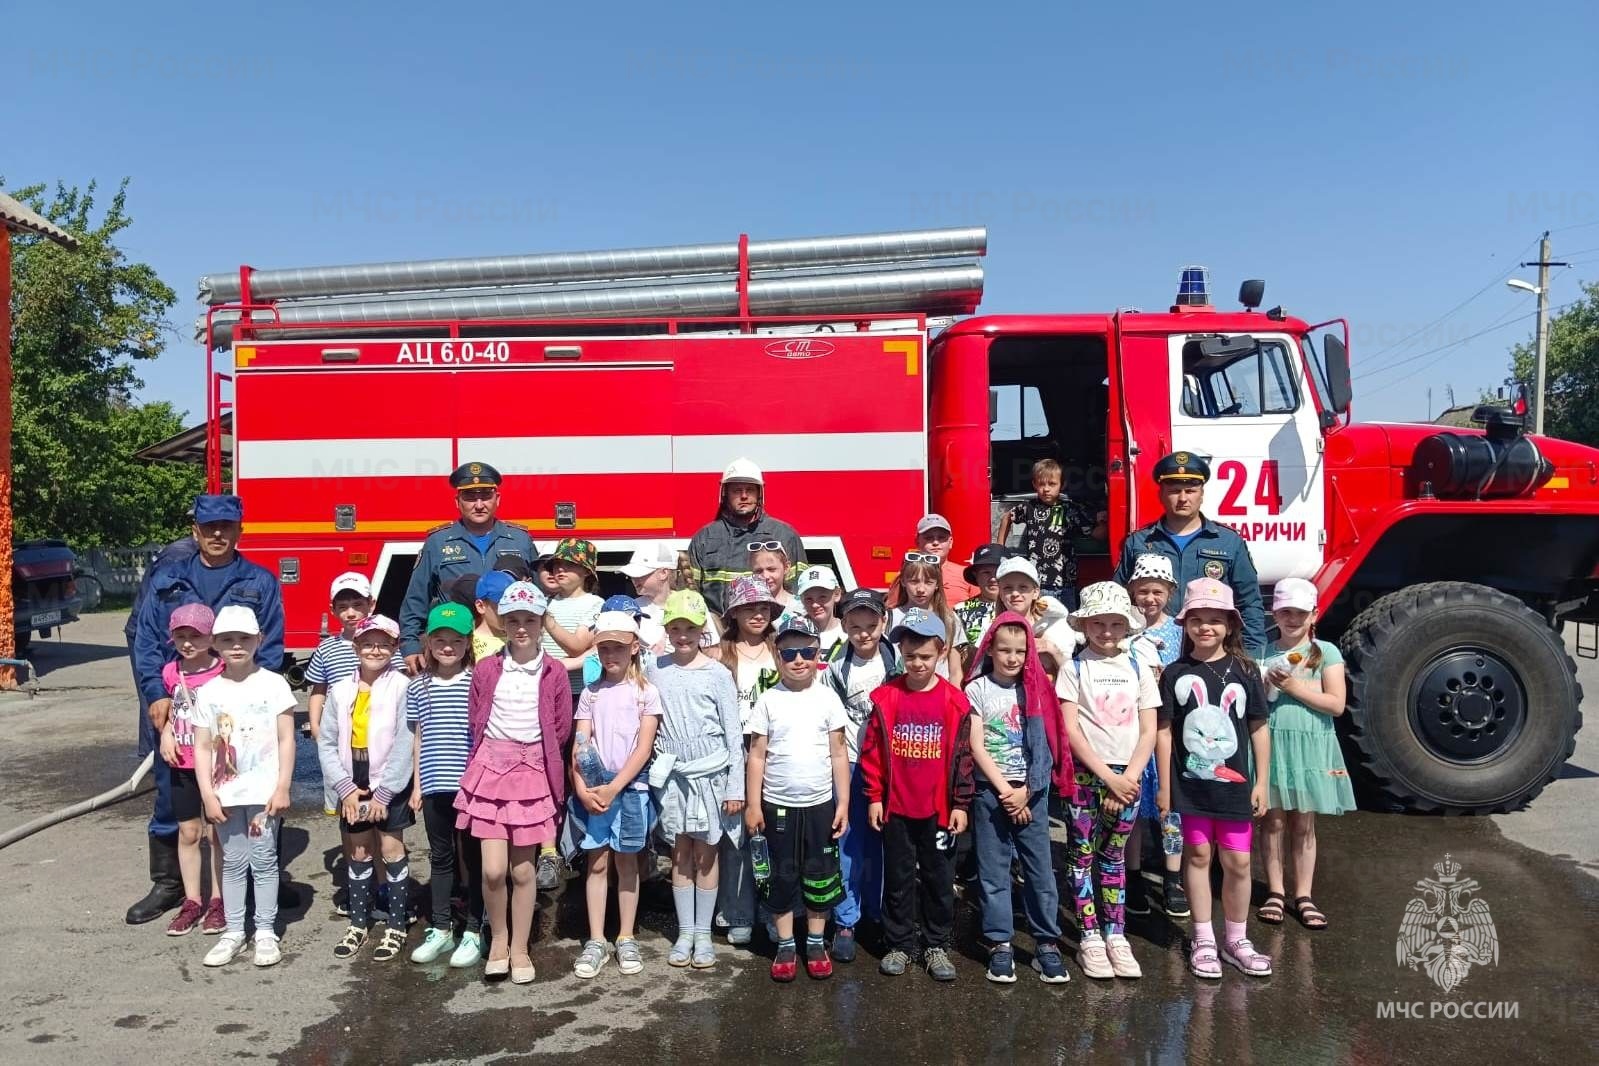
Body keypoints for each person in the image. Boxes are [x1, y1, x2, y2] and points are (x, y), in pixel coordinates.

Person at [128, 494, 285, 926]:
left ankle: (262, 871)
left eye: (226, 526)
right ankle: (169, 884)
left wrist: (253, 703)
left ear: (240, 530)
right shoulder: (167, 578)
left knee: (251, 785)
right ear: (195, 530)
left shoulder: (261, 582)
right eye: (209, 526)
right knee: (173, 794)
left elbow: (269, 648)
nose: (218, 534)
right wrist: (154, 694)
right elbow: (145, 639)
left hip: (239, 713)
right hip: (178, 711)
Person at [457, 581, 572, 984]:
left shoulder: (554, 670)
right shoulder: (488, 668)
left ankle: (520, 947)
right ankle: (498, 940)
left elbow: (558, 728)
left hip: (532, 773)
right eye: (513, 620)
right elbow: (476, 716)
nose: (521, 627)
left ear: (541, 622)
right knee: (492, 870)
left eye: (529, 620)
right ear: (502, 623)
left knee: (523, 872)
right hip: (490, 769)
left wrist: (534, 760)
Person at [1156, 579, 1272, 979]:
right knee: (1198, 857)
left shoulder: (1245, 670)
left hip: (1236, 787)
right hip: (1189, 787)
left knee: (1238, 861)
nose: (1206, 627)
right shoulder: (1174, 673)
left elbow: (1258, 727)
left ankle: (1236, 939)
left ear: (1230, 625)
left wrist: (1261, 782)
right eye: (1197, 620)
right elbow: (1164, 731)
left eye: (1215, 620)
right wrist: (1165, 787)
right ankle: (1204, 938)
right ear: (1185, 625)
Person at [861, 608, 976, 982]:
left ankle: (936, 944)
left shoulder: (954, 702)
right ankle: (899, 943)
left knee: (939, 879)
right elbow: (873, 752)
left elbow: (963, 757)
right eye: (910, 656)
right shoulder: (885, 698)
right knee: (897, 878)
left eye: (925, 656)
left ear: (941, 652)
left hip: (939, 811)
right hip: (896, 808)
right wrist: (875, 796)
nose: (917, 664)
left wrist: (961, 803)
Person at [1057, 582, 1161, 980]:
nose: (1106, 631)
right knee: (1081, 855)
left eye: (1115, 624)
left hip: (1129, 778)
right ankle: (1089, 937)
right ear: (1084, 625)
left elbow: (1149, 728)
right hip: (1088, 776)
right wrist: (1106, 777)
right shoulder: (1074, 668)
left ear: (1126, 626)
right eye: (1098, 623)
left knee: (1113, 856)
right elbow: (1071, 729)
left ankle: (1116, 934)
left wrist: (1129, 777)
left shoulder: (1137, 668)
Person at [965, 612, 1070, 984]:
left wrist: (1027, 792)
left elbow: (1046, 747)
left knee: (1040, 871)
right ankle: (1000, 943)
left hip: (1033, 792)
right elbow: (976, 745)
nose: (1012, 658)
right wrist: (1005, 791)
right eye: (1004, 650)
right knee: (993, 873)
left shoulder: (1036, 690)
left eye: (1020, 651)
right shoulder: (976, 689)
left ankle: (1046, 944)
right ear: (989, 648)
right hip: (991, 792)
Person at [745, 616, 851, 982]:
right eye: (789, 653)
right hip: (776, 807)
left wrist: (843, 804)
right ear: (778, 656)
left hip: (821, 805)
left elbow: (839, 754)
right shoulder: (768, 700)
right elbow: (756, 755)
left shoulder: (828, 699)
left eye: (806, 651)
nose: (798, 659)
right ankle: (786, 945)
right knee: (781, 876)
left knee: (820, 877)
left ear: (818, 653)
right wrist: (753, 804)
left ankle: (817, 942)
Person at [190, 605, 296, 968]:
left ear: (258, 640)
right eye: (227, 640)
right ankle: (234, 930)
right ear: (215, 644)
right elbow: (202, 747)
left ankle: (265, 930)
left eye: (244, 639)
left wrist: (282, 786)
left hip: (264, 792)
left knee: (264, 860)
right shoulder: (208, 692)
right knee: (233, 862)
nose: (236, 646)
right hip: (226, 793)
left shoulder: (274, 684)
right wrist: (207, 793)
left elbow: (286, 739)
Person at [647, 590, 745, 970]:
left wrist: (735, 786)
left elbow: (733, 733)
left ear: (703, 628)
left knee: (706, 853)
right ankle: (684, 930)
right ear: (667, 630)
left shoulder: (718, 673)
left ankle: (703, 933)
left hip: (709, 776)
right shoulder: (656, 667)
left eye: (690, 627)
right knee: (679, 853)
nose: (683, 635)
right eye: (676, 628)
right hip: (673, 776)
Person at [1255, 578, 1354, 932]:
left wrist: (1294, 686)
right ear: (1275, 613)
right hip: (1274, 742)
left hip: (1312, 745)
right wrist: (1270, 684)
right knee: (1273, 820)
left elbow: (1336, 704)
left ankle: (1304, 894)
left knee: (1304, 821)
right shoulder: (1264, 651)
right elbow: (1258, 702)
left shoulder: (1325, 652)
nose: (1292, 619)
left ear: (1314, 614)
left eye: (1300, 612)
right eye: (1285, 612)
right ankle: (1276, 892)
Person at [570, 612, 663, 979]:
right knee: (595, 862)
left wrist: (615, 786)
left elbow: (644, 747)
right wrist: (581, 787)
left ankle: (625, 935)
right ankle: (596, 939)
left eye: (618, 648)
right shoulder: (591, 693)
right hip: (595, 789)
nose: (611, 655)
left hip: (629, 788)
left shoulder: (646, 692)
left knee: (627, 862)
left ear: (634, 648)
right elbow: (581, 743)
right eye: (604, 647)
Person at [318, 616, 415, 963]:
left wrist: (386, 792)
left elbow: (406, 742)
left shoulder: (403, 686)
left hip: (389, 782)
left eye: (384, 644)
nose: (376, 650)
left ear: (395, 648)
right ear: (356, 647)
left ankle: (397, 923)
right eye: (369, 644)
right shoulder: (340, 690)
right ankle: (359, 922)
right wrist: (344, 788)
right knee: (358, 852)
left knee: (390, 849)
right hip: (351, 783)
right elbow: (327, 743)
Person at [1112, 452, 1266, 653]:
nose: (1183, 498)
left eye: (1191, 490)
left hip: (1210, 649)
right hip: (1153, 649)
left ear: (1202, 494)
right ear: (1161, 494)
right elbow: (1117, 599)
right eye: (1175, 491)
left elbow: (1249, 602)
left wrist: (1252, 654)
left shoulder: (1229, 542)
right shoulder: (1139, 541)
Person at [821, 588, 900, 962]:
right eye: (855, 626)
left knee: (884, 842)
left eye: (871, 625)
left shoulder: (896, 659)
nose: (864, 633)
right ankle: (846, 919)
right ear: (844, 625)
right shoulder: (837, 667)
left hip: (889, 766)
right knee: (848, 843)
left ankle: (879, 911)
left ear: (883, 622)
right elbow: (830, 722)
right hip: (850, 762)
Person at [400, 462, 539, 672]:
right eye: (471, 497)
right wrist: (410, 645)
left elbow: (539, 596)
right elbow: (416, 598)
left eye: (486, 496)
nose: (479, 504)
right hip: (455, 649)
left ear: (497, 499)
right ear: (457, 502)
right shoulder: (438, 542)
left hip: (512, 647)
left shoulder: (519, 540)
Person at [406, 602, 484, 968]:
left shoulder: (477, 680)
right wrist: (417, 785)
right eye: (440, 639)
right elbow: (418, 736)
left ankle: (473, 929)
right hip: (435, 782)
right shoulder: (418, 685)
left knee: (474, 856)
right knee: (440, 857)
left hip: (470, 783)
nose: (448, 646)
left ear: (468, 643)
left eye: (455, 640)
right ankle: (440, 928)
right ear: (429, 642)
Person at [710, 575, 781, 946]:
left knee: (772, 835)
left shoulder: (781, 650)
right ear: (733, 612)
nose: (757, 613)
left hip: (776, 749)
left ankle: (775, 911)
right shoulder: (720, 654)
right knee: (735, 836)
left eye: (764, 606)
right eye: (749, 606)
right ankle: (737, 911)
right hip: (734, 749)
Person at [1123, 554, 1188, 919]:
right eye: (1143, 591)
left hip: (1166, 729)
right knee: (1132, 809)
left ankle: (1172, 878)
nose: (1150, 599)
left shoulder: (1177, 633)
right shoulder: (1123, 629)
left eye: (1157, 592)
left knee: (1169, 809)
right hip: (1132, 729)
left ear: (1170, 592)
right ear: (1133, 591)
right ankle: (1132, 877)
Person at [158, 603, 227, 937]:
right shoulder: (172, 671)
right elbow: (175, 709)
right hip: (181, 763)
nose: (187, 643)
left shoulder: (223, 670)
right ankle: (192, 901)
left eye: (195, 636)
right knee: (188, 832)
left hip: (215, 765)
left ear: (211, 637)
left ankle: (218, 900)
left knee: (217, 834)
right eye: (181, 636)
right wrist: (167, 733)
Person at [687, 458, 805, 615]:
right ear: (725, 494)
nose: (744, 496)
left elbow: (799, 590)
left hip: (771, 628)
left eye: (750, 490)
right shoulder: (704, 538)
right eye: (737, 490)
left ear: (759, 494)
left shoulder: (785, 535)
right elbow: (689, 593)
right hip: (719, 631)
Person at [306, 573, 382, 813]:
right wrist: (317, 728)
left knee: (379, 801)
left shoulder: (385, 643)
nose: (351, 612)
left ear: (371, 604)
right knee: (346, 805)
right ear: (332, 609)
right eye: (343, 607)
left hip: (378, 734)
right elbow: (319, 690)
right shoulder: (327, 648)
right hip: (340, 736)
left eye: (358, 605)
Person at [994, 458, 1104, 609]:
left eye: (1052, 484)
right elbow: (1007, 517)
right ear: (1034, 485)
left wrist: (1106, 521)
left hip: (1066, 582)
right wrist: (1000, 548)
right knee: (1040, 624)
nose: (1046, 489)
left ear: (1062, 484)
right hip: (1037, 583)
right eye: (1041, 484)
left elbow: (1096, 534)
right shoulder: (1029, 508)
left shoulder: (1072, 509)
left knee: (1066, 623)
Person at [888, 555, 967, 687]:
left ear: (937, 584)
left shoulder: (949, 618)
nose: (920, 589)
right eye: (914, 581)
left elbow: (955, 671)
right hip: (901, 694)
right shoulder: (889, 617)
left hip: (938, 695)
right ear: (902, 581)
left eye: (928, 582)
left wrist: (955, 702)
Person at [993, 556, 1077, 672]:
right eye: (1008, 588)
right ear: (1001, 594)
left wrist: (1051, 649)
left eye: (1023, 587)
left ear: (1036, 592)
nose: (1015, 593)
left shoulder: (1053, 625)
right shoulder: (993, 628)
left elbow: (1070, 674)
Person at [911, 513, 976, 606]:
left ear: (950, 542)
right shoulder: (907, 575)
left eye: (941, 537)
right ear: (917, 542)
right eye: (928, 538)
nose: (935, 542)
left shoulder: (966, 575)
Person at [953, 543, 1008, 652]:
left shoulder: (1020, 607)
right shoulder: (959, 610)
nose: (993, 579)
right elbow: (955, 654)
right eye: (986, 572)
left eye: (998, 572)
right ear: (975, 575)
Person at [795, 565, 845, 655]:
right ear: (801, 599)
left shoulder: (848, 632)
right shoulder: (793, 634)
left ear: (837, 594)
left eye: (822, 597)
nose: (815, 605)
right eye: (809, 598)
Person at [749, 543, 799, 622]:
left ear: (786, 567)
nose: (765, 576)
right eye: (758, 571)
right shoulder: (746, 608)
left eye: (771, 569)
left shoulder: (801, 607)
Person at [472, 570, 514, 663]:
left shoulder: (520, 638)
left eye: (513, 605)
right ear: (480, 606)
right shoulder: (468, 645)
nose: (508, 610)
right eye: (501, 605)